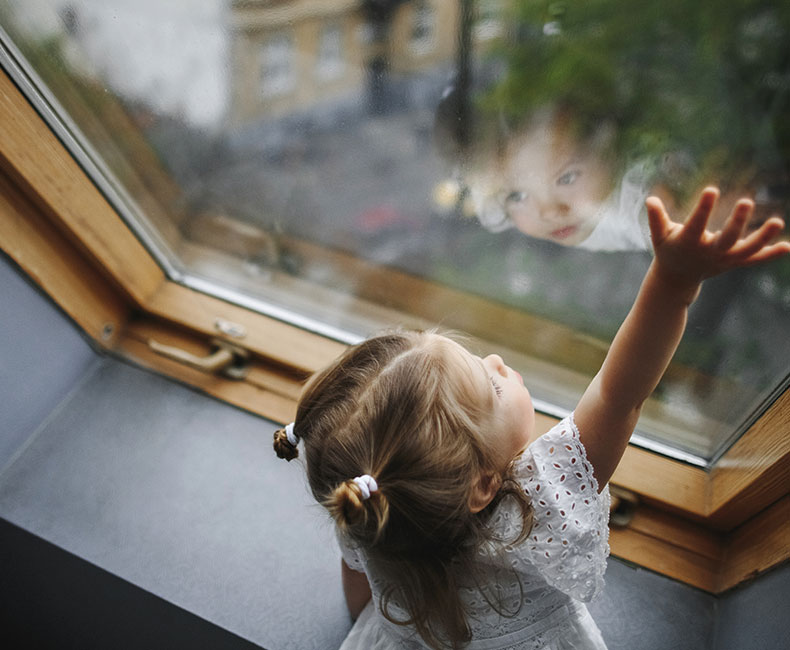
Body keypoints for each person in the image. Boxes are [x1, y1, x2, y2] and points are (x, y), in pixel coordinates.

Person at [273, 188, 789, 650]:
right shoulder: (539, 509)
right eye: (491, 384)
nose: (497, 362)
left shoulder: (370, 505)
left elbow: (358, 584)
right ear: (481, 485)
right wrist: (673, 283)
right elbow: (618, 394)